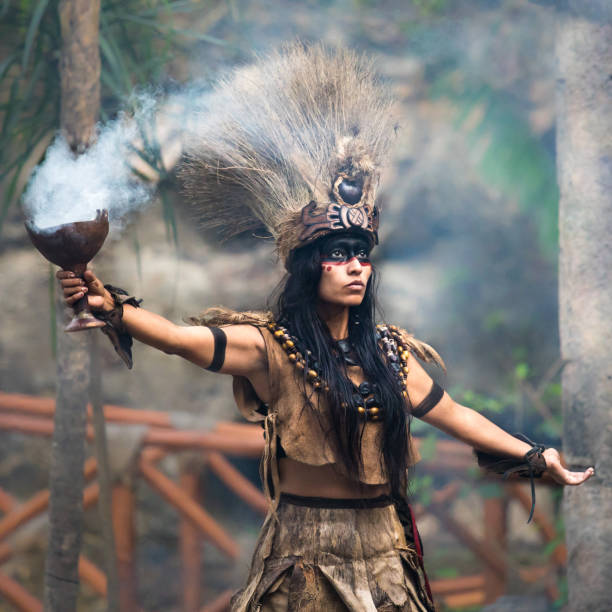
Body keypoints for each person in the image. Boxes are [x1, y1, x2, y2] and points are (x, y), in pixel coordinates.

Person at [57, 44, 593, 611]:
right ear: (311, 266)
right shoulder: (271, 346)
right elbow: (183, 339)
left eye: (363, 256)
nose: (357, 266)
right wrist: (112, 306)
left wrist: (537, 457)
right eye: (339, 255)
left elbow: (455, 415)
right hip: (305, 557)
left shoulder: (389, 353)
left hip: (386, 553)